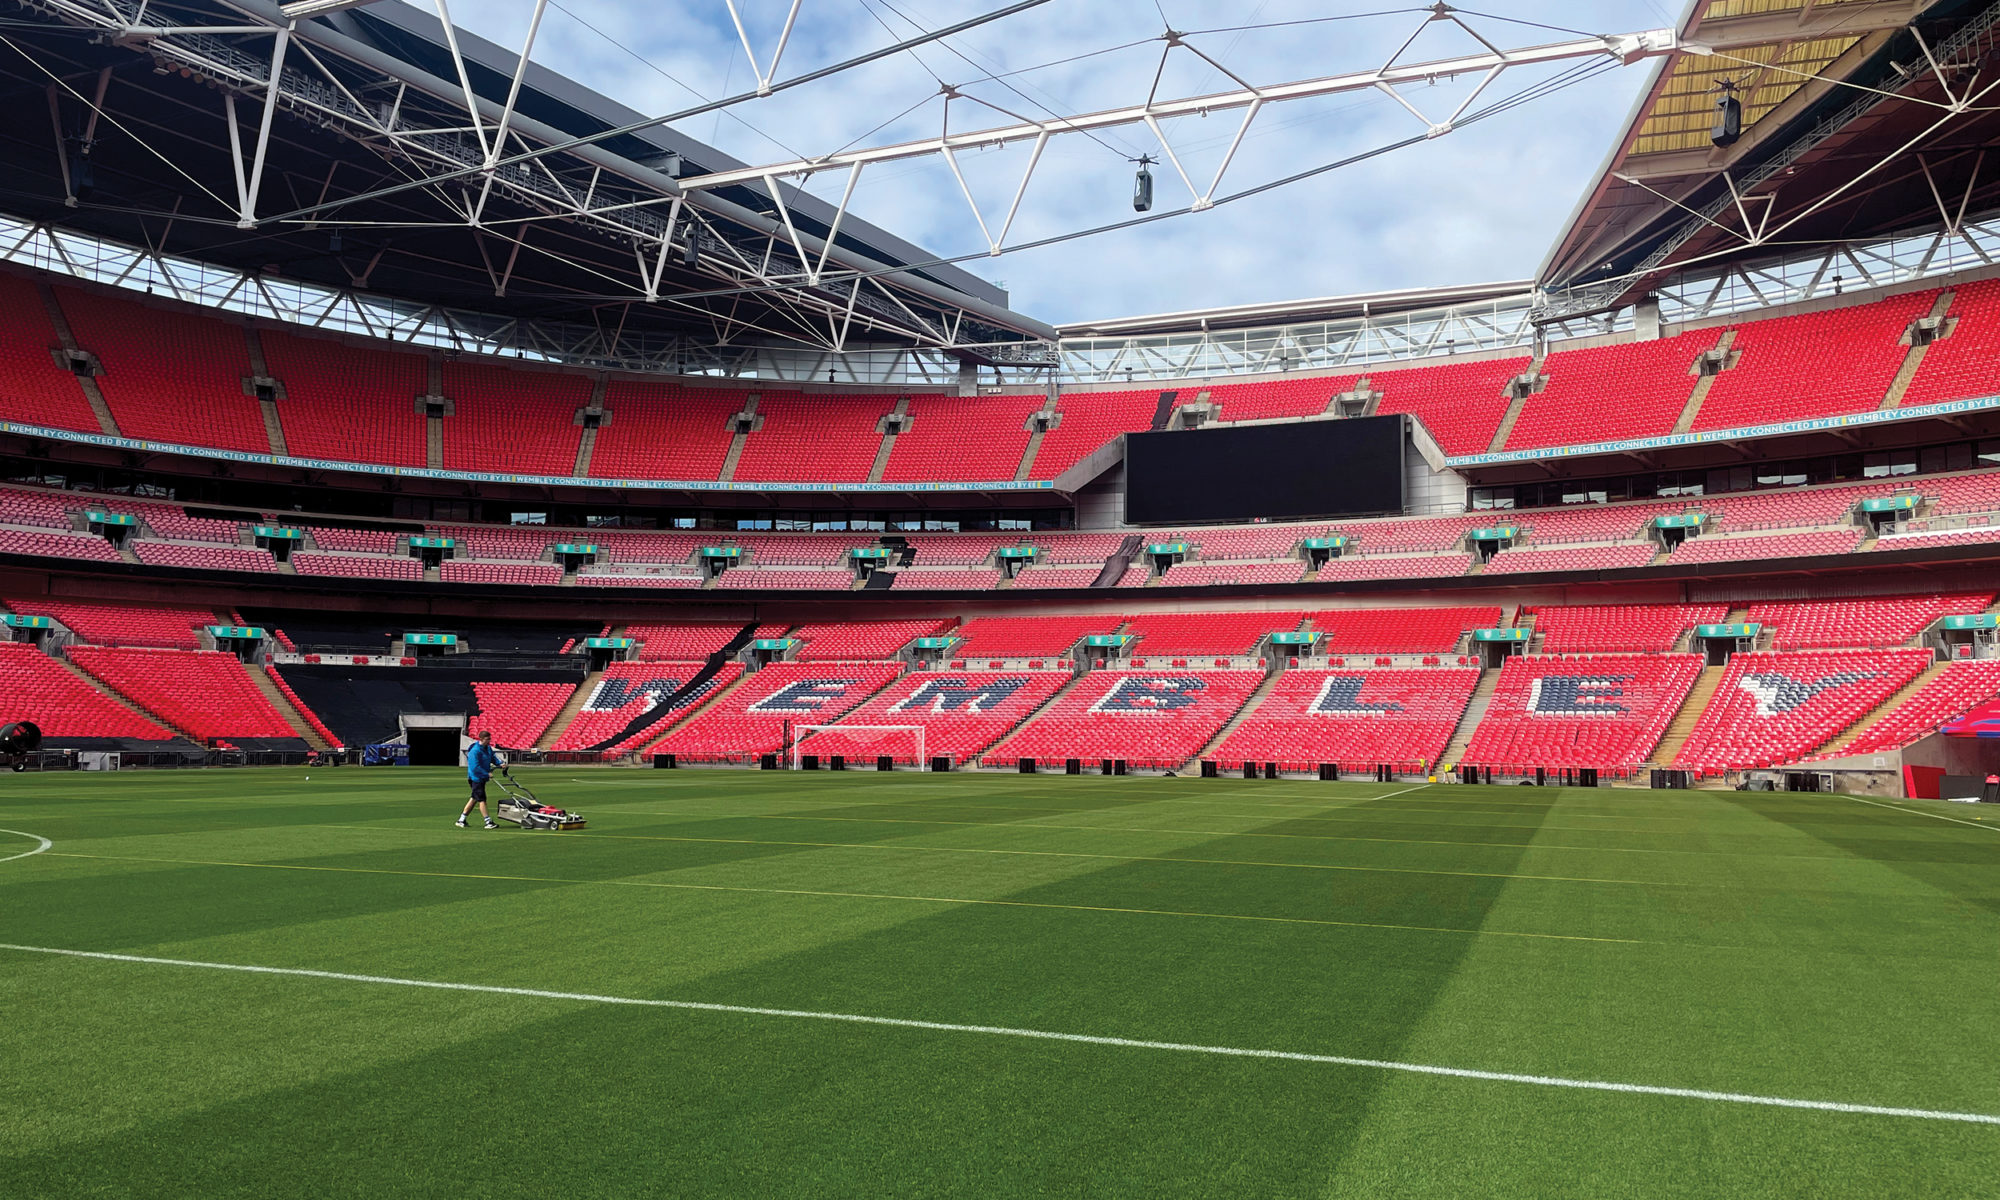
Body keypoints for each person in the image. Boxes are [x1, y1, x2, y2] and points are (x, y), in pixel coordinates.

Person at [456, 730, 502, 829]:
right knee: (482, 799)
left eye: (490, 739)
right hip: (475, 778)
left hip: (482, 778)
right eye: (487, 739)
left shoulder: (488, 748)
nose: (489, 741)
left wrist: (500, 763)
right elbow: (475, 767)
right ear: (481, 739)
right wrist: (487, 773)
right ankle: (488, 821)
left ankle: (461, 819)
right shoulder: (475, 751)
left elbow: (493, 758)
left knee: (474, 798)